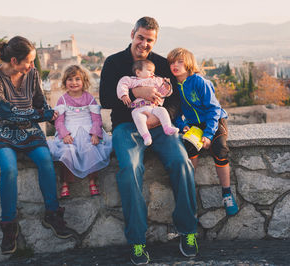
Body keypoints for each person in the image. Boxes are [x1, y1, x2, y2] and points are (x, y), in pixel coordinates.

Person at [99, 17, 198, 265]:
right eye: (140, 37)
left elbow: (175, 101)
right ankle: (137, 240)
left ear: (155, 40)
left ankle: (188, 231)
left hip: (160, 126)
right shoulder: (114, 62)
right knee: (130, 169)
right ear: (133, 33)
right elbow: (104, 98)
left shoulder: (162, 64)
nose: (144, 43)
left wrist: (162, 119)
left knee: (181, 163)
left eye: (149, 40)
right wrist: (135, 93)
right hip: (126, 126)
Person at [0, 36, 73, 255]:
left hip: (28, 129)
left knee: (45, 161)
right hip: (0, 129)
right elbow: (4, 111)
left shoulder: (31, 74)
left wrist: (50, 114)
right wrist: (38, 115)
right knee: (9, 168)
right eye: (29, 62)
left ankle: (52, 215)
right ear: (14, 60)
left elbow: (40, 102)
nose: (32, 66)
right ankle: (9, 226)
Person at [167, 47, 239, 216]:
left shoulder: (199, 81)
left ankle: (227, 193)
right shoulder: (173, 86)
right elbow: (175, 111)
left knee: (220, 148)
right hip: (194, 124)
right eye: (172, 62)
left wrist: (208, 134)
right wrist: (180, 124)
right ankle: (190, 192)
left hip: (214, 120)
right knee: (189, 148)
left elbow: (214, 108)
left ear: (189, 64)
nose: (175, 65)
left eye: (180, 62)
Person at [47, 65, 112, 198]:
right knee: (66, 152)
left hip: (87, 130)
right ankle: (65, 182)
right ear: (65, 82)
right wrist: (64, 134)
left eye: (77, 79)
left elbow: (96, 119)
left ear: (84, 82)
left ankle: (93, 181)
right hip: (70, 131)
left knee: (91, 149)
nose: (74, 82)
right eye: (70, 79)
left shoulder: (89, 98)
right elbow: (59, 121)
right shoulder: (63, 99)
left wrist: (95, 133)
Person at [116, 59, 179, 146]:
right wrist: (124, 95)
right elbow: (122, 84)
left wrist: (167, 87)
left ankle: (167, 127)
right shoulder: (132, 80)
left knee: (162, 110)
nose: (152, 73)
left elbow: (163, 93)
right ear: (138, 72)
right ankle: (146, 136)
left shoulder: (156, 80)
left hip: (153, 107)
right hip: (138, 108)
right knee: (138, 118)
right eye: (149, 70)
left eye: (153, 71)